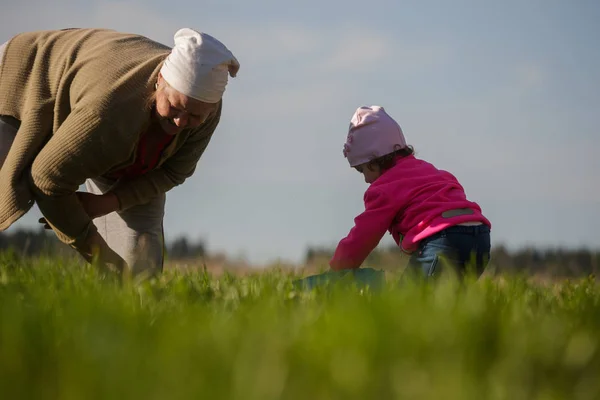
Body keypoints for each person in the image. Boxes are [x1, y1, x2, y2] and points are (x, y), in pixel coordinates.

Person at [0, 27, 239, 276]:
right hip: (24, 75)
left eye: (194, 115)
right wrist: (101, 256)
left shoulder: (206, 109)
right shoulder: (109, 111)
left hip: (117, 142)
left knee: (141, 262)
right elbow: (47, 179)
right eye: (175, 107)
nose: (181, 122)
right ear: (160, 81)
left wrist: (108, 202)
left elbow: (171, 173)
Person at [329, 105, 492, 279]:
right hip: (480, 236)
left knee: (407, 301)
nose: (366, 180)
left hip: (444, 239)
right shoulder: (427, 170)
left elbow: (363, 237)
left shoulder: (383, 189)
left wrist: (336, 270)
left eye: (362, 170)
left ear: (374, 160)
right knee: (449, 301)